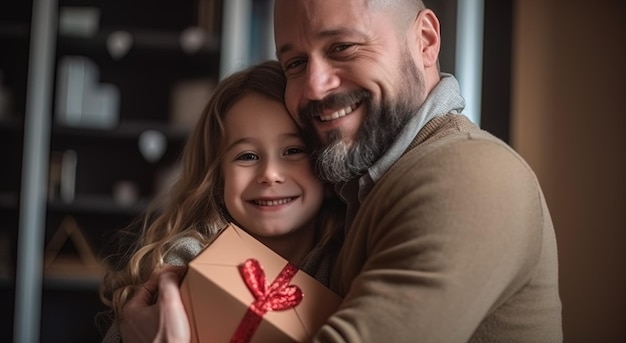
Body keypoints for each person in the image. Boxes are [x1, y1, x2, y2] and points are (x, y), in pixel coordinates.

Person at [117, 0, 563, 342]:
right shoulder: (358, 193)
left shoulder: (468, 176)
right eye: (294, 62)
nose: (314, 86)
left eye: (343, 47)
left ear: (425, 41)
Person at [98, 60, 343, 343]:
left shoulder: (347, 267)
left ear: (326, 166)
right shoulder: (182, 265)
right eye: (247, 156)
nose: (270, 175)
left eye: (293, 150)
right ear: (217, 179)